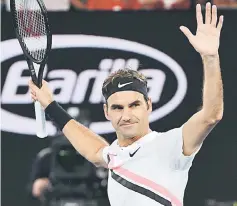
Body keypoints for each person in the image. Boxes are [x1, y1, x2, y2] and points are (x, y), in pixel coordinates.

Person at [29, 3, 224, 205]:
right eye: (118, 107)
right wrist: (50, 105)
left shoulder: (171, 144)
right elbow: (94, 150)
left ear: (148, 105)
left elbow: (211, 115)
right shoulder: (113, 154)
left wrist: (210, 58)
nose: (126, 114)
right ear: (107, 112)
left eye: (134, 105)